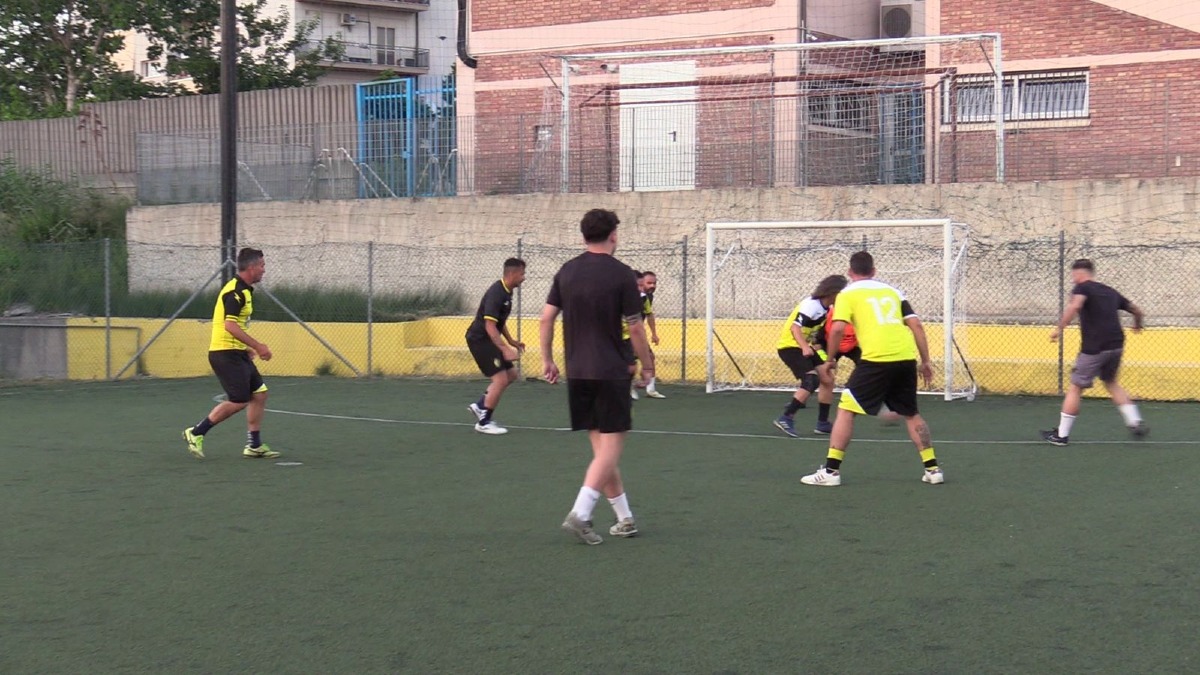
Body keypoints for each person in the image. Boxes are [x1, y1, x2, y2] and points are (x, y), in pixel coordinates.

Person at [540, 208, 655, 545]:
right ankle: (581, 513)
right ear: (614, 235)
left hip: (578, 372)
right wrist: (647, 366)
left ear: (583, 236)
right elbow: (635, 326)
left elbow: (546, 319)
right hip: (611, 371)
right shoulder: (621, 275)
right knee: (610, 450)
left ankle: (625, 519)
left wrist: (547, 360)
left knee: (602, 453)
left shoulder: (567, 271)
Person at [801, 251, 943, 487]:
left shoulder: (846, 294)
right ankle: (933, 469)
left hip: (877, 359)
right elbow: (916, 325)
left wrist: (831, 359)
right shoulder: (893, 291)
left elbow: (836, 329)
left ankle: (830, 472)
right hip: (905, 357)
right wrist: (925, 361)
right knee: (911, 413)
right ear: (874, 271)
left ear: (850, 272)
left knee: (846, 409)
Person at [181, 247, 279, 460]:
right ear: (251, 267)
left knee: (259, 394)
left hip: (235, 352)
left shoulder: (244, 290)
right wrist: (259, 346)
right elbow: (230, 326)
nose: (264, 270)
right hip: (224, 354)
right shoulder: (235, 292)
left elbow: (231, 326)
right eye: (262, 265)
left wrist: (245, 348)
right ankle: (196, 432)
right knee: (239, 400)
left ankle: (253, 445)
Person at [1041, 258, 1147, 446]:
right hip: (1116, 344)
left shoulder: (1082, 288)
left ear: (1079, 274)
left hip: (1094, 348)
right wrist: (1137, 324)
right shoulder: (1109, 291)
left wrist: (1059, 329)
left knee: (1076, 387)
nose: (1073, 280)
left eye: (1074, 276)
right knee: (1111, 382)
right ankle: (1134, 420)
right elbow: (1137, 310)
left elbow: (1075, 306)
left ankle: (1061, 436)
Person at [772, 275, 847, 438]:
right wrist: (805, 347)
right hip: (790, 347)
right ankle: (786, 418)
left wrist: (826, 354)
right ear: (833, 292)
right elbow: (795, 328)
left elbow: (815, 335)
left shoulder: (827, 309)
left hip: (803, 346)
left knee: (827, 379)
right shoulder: (811, 305)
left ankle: (822, 423)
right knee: (811, 380)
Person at [465, 258, 527, 435]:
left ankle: (479, 406)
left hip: (489, 339)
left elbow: (499, 322)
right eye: (522, 274)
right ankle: (484, 422)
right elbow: (489, 326)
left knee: (511, 374)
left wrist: (511, 341)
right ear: (512, 274)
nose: (524, 278)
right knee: (500, 379)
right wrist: (505, 349)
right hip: (480, 340)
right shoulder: (497, 293)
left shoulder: (506, 292)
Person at [638, 271, 666, 399]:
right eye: (649, 283)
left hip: (637, 334)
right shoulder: (632, 296)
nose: (652, 286)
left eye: (654, 283)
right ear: (641, 283)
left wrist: (654, 334)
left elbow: (649, 315)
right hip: (625, 334)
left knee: (649, 357)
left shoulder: (648, 297)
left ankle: (650, 389)